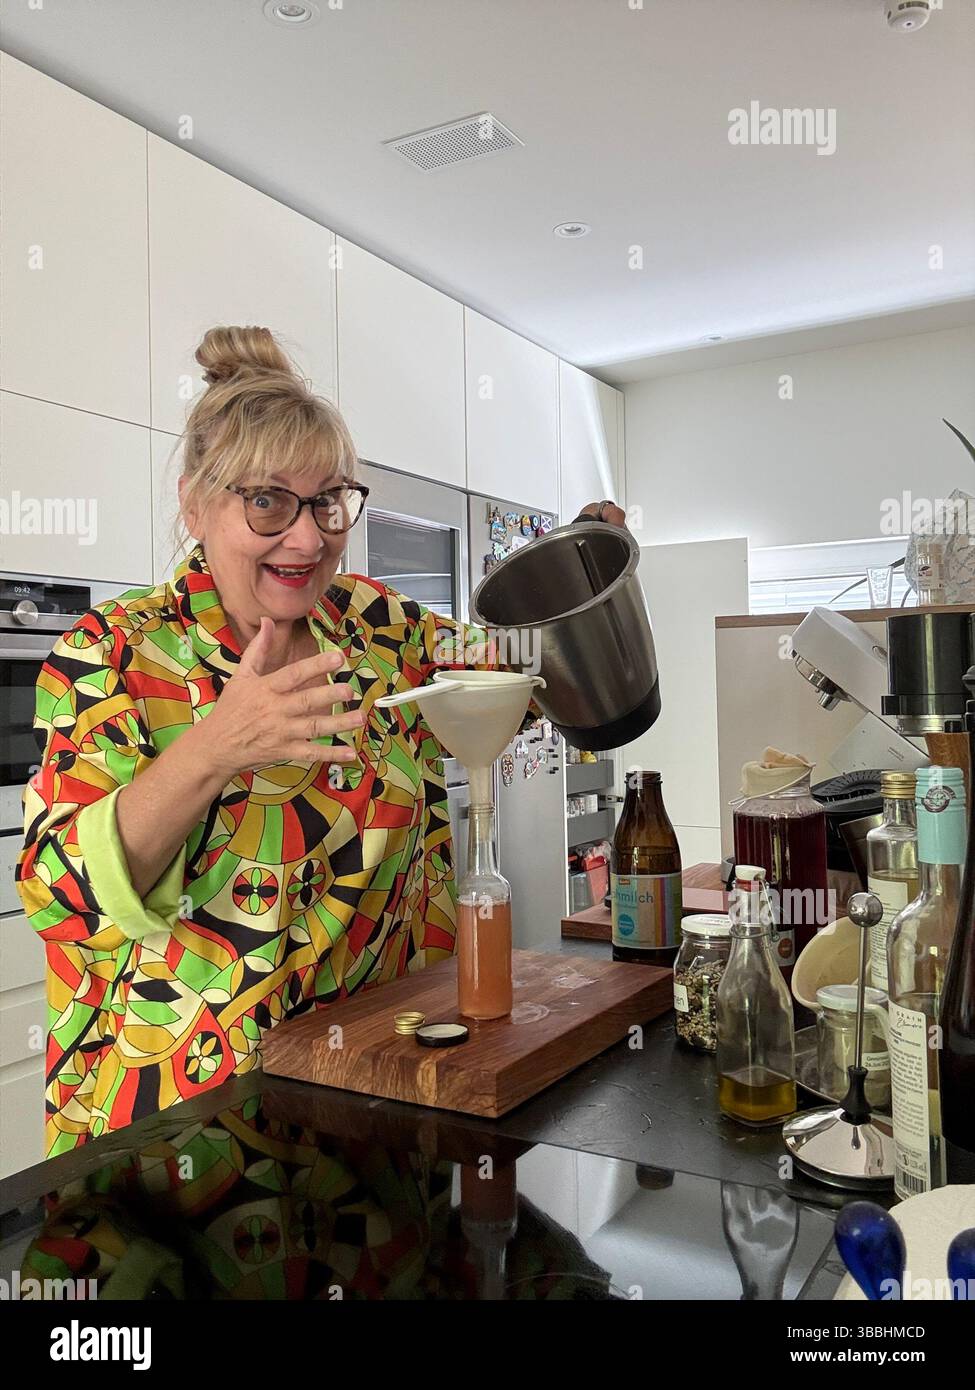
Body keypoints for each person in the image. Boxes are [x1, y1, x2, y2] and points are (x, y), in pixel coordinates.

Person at [17, 324, 625, 1156]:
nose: (308, 539)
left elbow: (520, 674)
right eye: (266, 501)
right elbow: (63, 898)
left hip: (388, 1081)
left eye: (328, 500)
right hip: (184, 1116)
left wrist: (576, 571)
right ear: (195, 503)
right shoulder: (114, 654)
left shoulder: (377, 627)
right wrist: (216, 746)